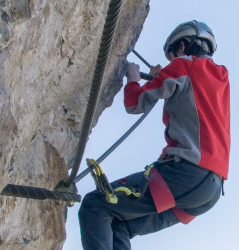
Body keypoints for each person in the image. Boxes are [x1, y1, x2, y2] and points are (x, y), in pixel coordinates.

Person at [78, 20, 230, 250]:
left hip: (183, 174)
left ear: (181, 47)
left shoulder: (183, 65)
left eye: (173, 56)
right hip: (209, 190)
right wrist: (164, 76)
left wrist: (133, 78)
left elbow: (134, 103)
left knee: (95, 204)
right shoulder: (222, 77)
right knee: (120, 222)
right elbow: (194, 101)